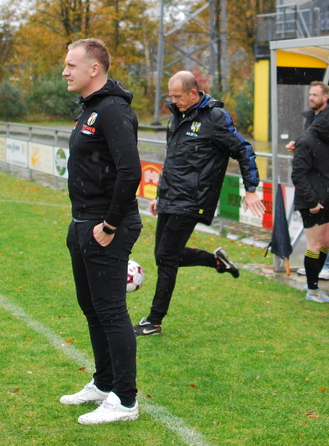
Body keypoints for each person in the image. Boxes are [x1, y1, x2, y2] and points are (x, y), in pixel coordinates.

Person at [133, 71, 265, 337]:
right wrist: (161, 195)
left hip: (194, 200)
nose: (173, 100)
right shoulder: (176, 118)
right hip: (171, 197)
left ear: (193, 93)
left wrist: (251, 188)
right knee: (164, 254)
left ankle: (154, 320)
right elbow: (173, 161)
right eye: (170, 96)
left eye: (177, 96)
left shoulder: (215, 118)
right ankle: (215, 261)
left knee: (167, 258)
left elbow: (244, 150)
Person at [59, 38, 143, 424]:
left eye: (71, 65)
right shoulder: (89, 109)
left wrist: (108, 225)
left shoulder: (113, 110)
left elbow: (131, 173)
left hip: (107, 226)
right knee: (91, 308)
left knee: (111, 311)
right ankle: (104, 382)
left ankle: (125, 400)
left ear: (94, 69)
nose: (65, 71)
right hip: (82, 224)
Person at [290, 103, 329, 302]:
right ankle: (312, 290)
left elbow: (327, 173)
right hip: (311, 203)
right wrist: (312, 200)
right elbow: (298, 174)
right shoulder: (306, 141)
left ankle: (314, 284)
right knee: (315, 244)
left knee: (327, 241)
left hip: (326, 199)